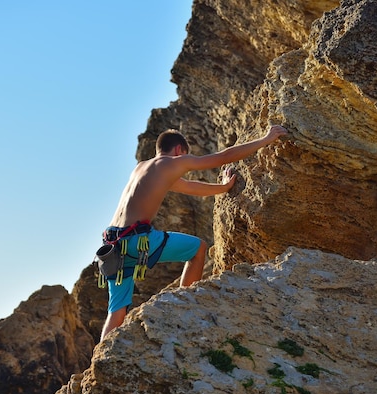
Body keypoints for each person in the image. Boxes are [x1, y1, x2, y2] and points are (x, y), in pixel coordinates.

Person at [99, 125, 288, 340]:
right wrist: (266, 138)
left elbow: (190, 187)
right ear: (179, 150)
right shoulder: (174, 162)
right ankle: (183, 303)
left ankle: (100, 355)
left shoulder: (142, 168)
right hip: (137, 240)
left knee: (116, 312)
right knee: (198, 248)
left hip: (112, 247)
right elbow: (223, 157)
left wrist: (223, 188)